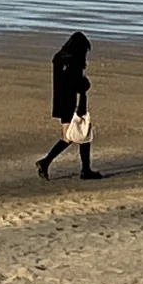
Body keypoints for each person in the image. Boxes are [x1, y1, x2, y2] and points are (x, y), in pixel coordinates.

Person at [36, 30, 103, 181]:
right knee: (80, 135)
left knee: (71, 136)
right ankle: (82, 170)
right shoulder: (74, 62)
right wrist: (85, 85)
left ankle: (49, 163)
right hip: (72, 103)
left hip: (60, 102)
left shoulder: (59, 58)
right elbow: (78, 85)